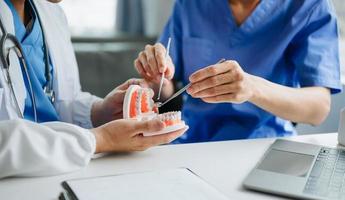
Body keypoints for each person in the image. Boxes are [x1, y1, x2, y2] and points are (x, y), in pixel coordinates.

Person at [0, 0, 187, 179]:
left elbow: (61, 101)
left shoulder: (51, 13)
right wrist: (101, 139)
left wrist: (98, 112)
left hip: (63, 172)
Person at [134, 0, 342, 143]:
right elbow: (167, 87)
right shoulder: (190, 5)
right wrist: (154, 80)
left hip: (263, 144)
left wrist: (253, 89)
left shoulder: (308, 7)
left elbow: (319, 109)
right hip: (190, 140)